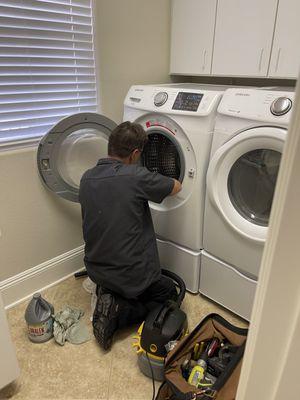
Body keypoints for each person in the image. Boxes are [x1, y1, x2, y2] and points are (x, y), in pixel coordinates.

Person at [79, 121, 182, 350]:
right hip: (132, 275)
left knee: (122, 278)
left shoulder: (86, 177)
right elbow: (177, 186)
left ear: (110, 146)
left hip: (96, 269)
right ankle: (120, 310)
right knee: (168, 293)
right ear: (136, 153)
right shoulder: (136, 176)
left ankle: (110, 293)